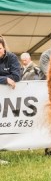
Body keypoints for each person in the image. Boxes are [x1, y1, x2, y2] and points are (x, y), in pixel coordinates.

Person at [0, 35, 21, 165]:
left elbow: (17, 76)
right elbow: (10, 78)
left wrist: (9, 78)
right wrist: (5, 79)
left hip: (8, 102)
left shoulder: (12, 58)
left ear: (4, 48)